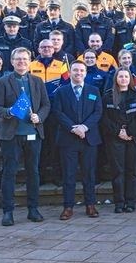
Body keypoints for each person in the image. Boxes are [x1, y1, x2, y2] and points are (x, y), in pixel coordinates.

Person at [0, 47, 51, 226]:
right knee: (9, 173)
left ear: (30, 61)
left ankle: (33, 209)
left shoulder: (37, 81)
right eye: (18, 59)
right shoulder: (2, 82)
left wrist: (39, 116)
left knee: (33, 172)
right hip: (11, 135)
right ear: (12, 61)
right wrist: (10, 112)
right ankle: (7, 212)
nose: (22, 62)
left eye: (25, 59)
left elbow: (46, 104)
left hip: (33, 133)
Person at [52, 60, 103, 220]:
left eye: (81, 71)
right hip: (68, 139)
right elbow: (58, 112)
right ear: (70, 72)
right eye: (75, 70)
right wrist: (73, 128)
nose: (78, 73)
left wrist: (84, 127)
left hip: (89, 139)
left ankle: (90, 205)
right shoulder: (61, 91)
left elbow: (98, 111)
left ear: (85, 73)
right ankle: (68, 207)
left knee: (89, 174)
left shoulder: (93, 90)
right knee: (69, 175)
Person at [101, 68, 136, 213]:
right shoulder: (108, 96)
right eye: (120, 76)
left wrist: (129, 131)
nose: (123, 79)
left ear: (130, 79)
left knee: (133, 171)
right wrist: (118, 131)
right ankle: (119, 203)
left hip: (134, 138)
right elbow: (104, 118)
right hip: (115, 139)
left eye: (126, 77)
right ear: (116, 79)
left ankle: (130, 202)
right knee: (118, 171)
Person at [29, 39, 69, 186]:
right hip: (36, 111)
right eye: (43, 47)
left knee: (55, 143)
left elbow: (66, 87)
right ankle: (40, 175)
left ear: (54, 49)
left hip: (55, 110)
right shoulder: (31, 65)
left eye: (49, 47)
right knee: (39, 144)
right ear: (38, 49)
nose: (46, 49)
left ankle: (58, 175)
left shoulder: (62, 66)